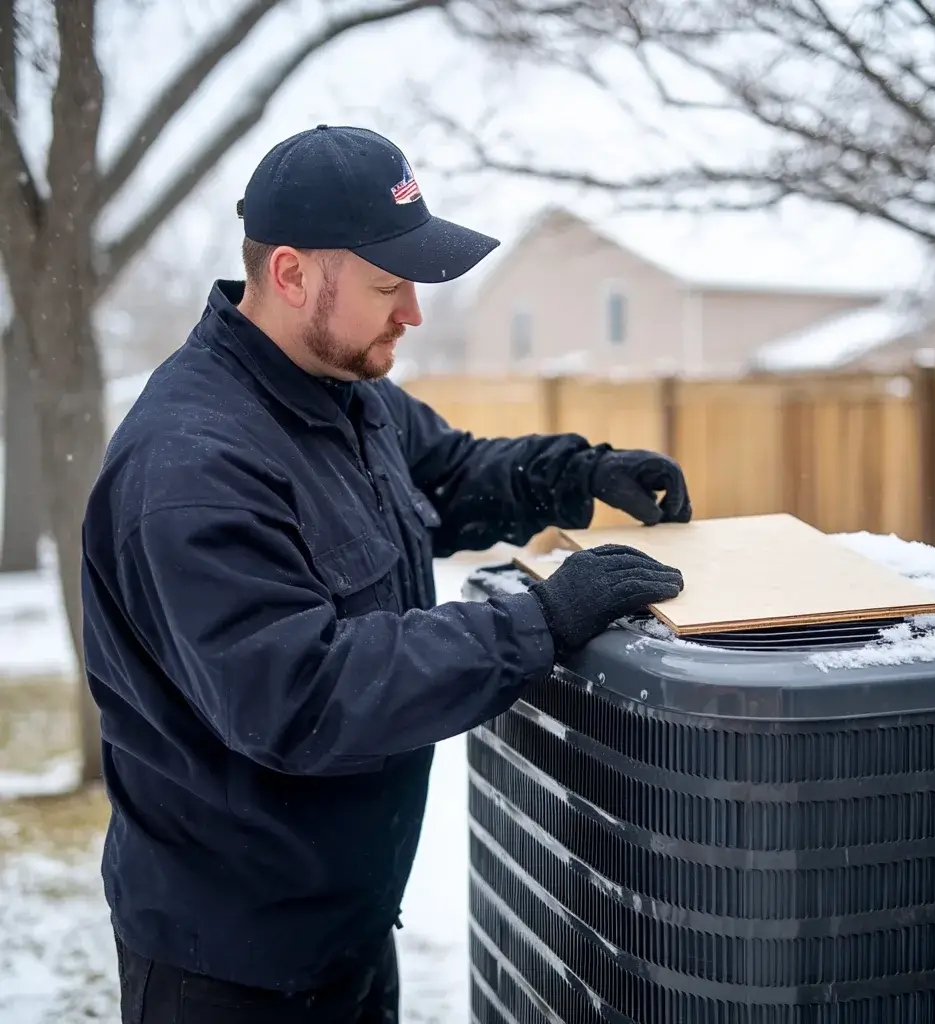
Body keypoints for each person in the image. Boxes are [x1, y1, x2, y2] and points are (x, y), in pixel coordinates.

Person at [81, 125, 690, 1024]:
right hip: (232, 971)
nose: (412, 313)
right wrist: (540, 621)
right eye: (388, 285)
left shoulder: (342, 391)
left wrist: (578, 474)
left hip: (348, 931)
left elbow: (446, 473)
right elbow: (301, 694)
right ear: (289, 274)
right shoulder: (191, 468)